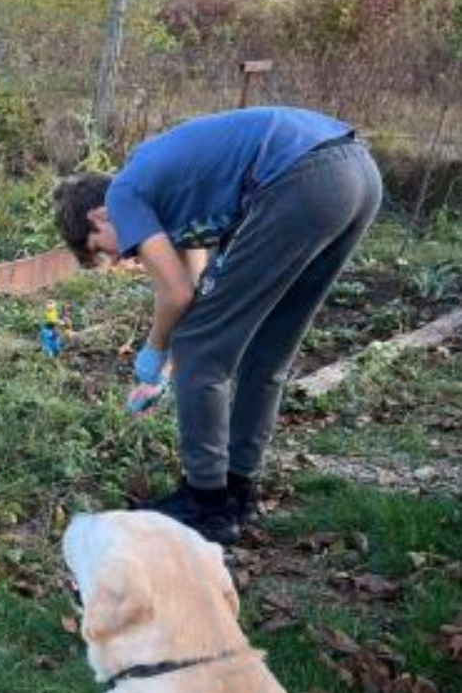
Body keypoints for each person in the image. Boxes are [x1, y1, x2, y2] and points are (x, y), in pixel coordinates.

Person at [54, 105, 382, 545]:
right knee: (266, 348)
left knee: (201, 349)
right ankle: (238, 491)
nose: (121, 258)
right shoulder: (166, 196)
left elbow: (177, 298)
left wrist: (154, 354)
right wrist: (167, 373)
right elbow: (194, 287)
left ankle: (205, 504)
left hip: (302, 178)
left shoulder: (124, 195)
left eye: (105, 250)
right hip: (356, 173)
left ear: (98, 217)